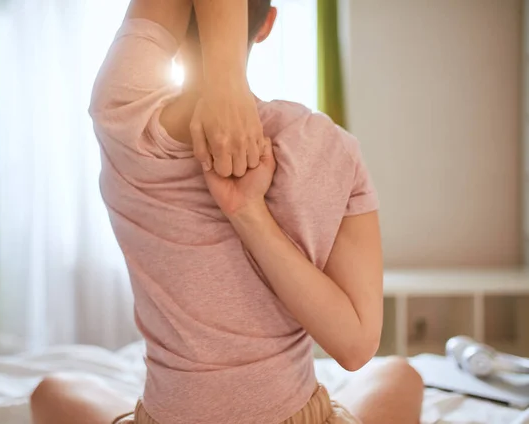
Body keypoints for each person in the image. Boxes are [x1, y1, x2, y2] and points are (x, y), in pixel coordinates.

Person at [30, 0, 424, 423]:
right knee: (401, 374)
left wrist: (222, 84)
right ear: (266, 24)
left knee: (51, 391)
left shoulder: (124, 113)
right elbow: (355, 347)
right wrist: (248, 212)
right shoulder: (325, 146)